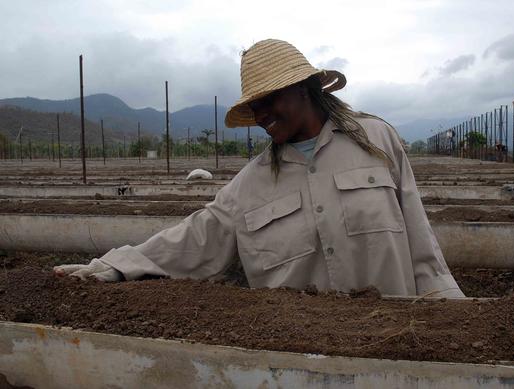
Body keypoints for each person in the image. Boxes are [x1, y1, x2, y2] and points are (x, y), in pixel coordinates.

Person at [54, 39, 464, 298]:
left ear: (305, 89)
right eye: (255, 105)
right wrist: (113, 267)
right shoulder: (250, 184)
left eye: (270, 99)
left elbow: (421, 245)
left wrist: (450, 312)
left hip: (392, 346)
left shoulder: (377, 140)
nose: (262, 114)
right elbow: (195, 239)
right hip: (297, 361)